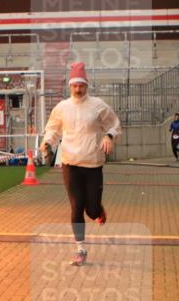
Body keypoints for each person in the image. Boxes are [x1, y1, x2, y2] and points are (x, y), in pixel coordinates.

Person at [40, 62, 121, 266]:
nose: (78, 89)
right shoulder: (62, 107)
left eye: (81, 85)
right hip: (70, 164)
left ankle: (97, 210)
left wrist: (109, 136)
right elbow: (53, 129)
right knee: (76, 207)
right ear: (70, 86)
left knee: (91, 210)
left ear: (87, 85)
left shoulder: (98, 105)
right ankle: (81, 249)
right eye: (75, 85)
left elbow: (114, 124)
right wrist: (47, 143)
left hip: (93, 164)